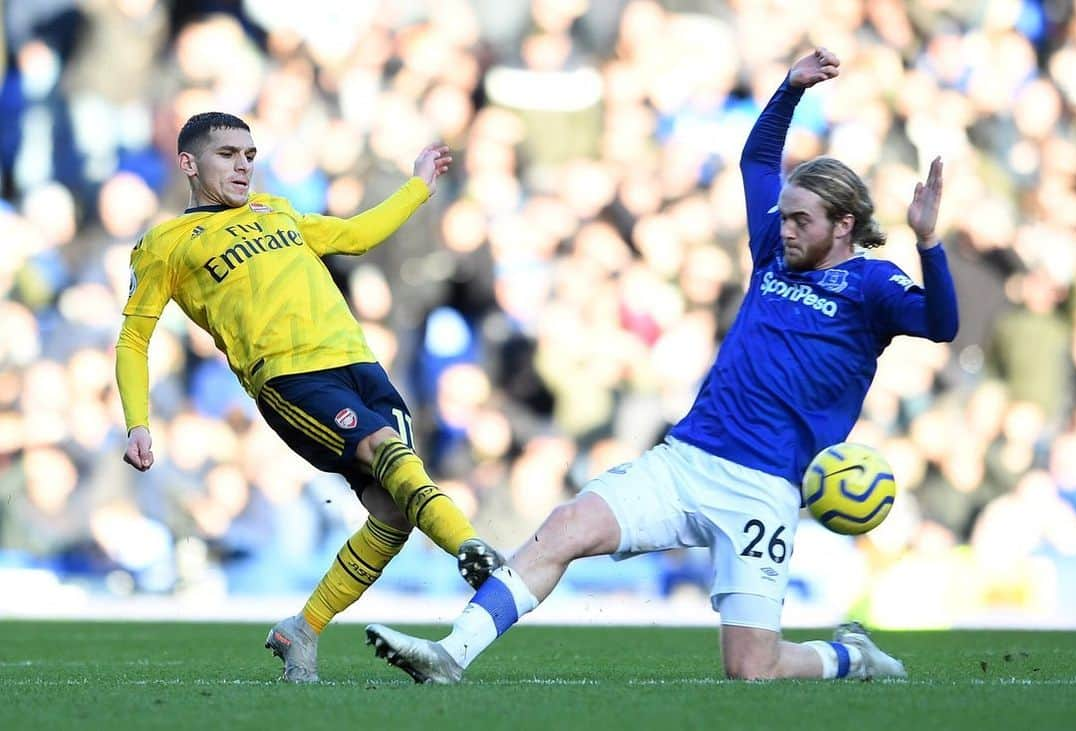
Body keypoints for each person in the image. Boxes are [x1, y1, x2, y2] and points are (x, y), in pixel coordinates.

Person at [365, 48, 959, 683]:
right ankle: (449, 655)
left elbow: (942, 325)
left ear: (844, 225)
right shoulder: (773, 255)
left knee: (751, 670)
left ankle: (849, 657)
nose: (783, 229)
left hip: (765, 489)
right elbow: (757, 159)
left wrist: (928, 241)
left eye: (800, 220)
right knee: (565, 527)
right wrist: (788, 89)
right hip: (686, 461)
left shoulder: (873, 287)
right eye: (782, 215)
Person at [115, 112, 503, 683]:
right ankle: (479, 557)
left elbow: (355, 236)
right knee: (383, 450)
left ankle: (303, 629)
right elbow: (133, 337)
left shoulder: (278, 210)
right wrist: (138, 422)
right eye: (227, 155)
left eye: (249, 154)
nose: (243, 164)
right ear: (189, 164)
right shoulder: (166, 244)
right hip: (289, 378)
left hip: (360, 363)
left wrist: (419, 186)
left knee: (393, 512)